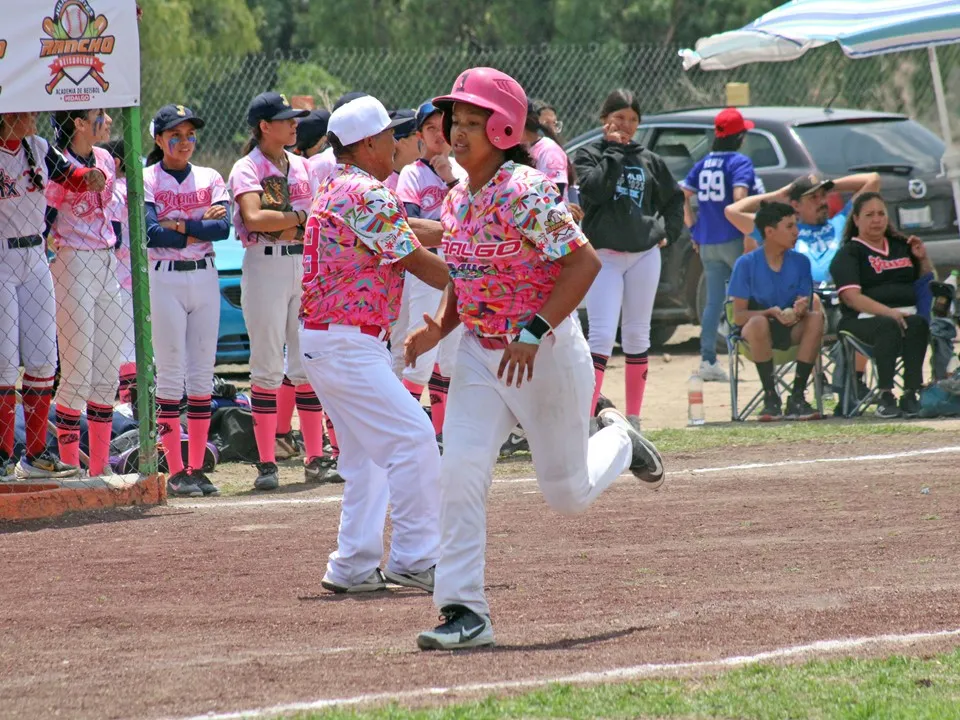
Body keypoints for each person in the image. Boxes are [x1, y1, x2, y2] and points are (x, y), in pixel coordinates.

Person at [404, 67, 664, 651]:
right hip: (479, 354)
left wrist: (535, 326)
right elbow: (467, 278)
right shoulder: (455, 198)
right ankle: (464, 611)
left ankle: (619, 438)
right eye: (456, 121)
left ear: (503, 128)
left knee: (566, 495)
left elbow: (584, 264)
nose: (459, 131)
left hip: (543, 355)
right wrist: (438, 329)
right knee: (460, 469)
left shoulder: (523, 190)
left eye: (473, 122)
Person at [299, 94, 451, 594]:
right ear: (366, 144)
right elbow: (416, 259)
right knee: (413, 440)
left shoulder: (340, 186)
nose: (397, 143)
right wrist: (485, 272)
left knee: (367, 458)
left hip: (333, 340)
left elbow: (408, 230)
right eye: (391, 135)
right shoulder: (368, 193)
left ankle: (353, 565)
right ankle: (414, 557)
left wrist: (457, 230)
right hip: (346, 343)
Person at [228, 92, 327, 491]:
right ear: (264, 126)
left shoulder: (303, 166)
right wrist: (298, 217)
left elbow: (319, 216)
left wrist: (291, 221)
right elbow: (254, 218)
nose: (294, 124)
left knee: (307, 363)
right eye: (285, 119)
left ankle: (316, 457)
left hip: (301, 262)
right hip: (266, 264)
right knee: (268, 365)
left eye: (295, 118)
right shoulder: (246, 166)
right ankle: (267, 462)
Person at [573, 89, 684, 428]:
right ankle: (588, 416)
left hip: (643, 255)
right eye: (619, 117)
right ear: (605, 118)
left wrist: (667, 231)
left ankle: (634, 417)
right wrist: (614, 153)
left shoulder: (649, 159)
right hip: (604, 255)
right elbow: (594, 191)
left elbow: (673, 199)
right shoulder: (589, 154)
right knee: (603, 335)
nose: (626, 124)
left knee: (638, 335)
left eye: (633, 119)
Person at [0, 112, 101, 479]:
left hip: (36, 256)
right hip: (1, 256)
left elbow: (70, 175)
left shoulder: (38, 147)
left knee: (44, 361)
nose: (31, 117)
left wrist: (88, 178)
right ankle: (3, 455)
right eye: (22, 112)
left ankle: (37, 454)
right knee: (5, 364)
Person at [144, 105, 231, 497]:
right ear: (159, 139)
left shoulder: (210, 176)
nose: (184, 141)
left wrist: (178, 224)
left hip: (204, 276)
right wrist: (197, 228)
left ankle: (196, 466)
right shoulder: (147, 178)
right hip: (164, 281)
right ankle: (176, 469)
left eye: (190, 134)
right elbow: (149, 232)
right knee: (170, 374)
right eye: (174, 135)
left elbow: (223, 228)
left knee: (200, 376)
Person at [46, 109, 123, 478]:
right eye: (97, 115)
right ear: (77, 123)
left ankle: (101, 467)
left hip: (107, 261)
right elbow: (46, 215)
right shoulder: (59, 162)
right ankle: (70, 467)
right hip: (72, 260)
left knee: (107, 373)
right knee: (77, 371)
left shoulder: (105, 158)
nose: (107, 119)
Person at [394, 100, 465, 440]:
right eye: (431, 129)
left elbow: (475, 218)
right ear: (419, 135)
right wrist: (450, 226)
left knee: (452, 359)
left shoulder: (462, 172)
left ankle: (443, 433)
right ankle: (406, 433)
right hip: (427, 269)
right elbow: (407, 222)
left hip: (460, 269)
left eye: (443, 128)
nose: (439, 135)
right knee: (420, 358)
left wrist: (451, 180)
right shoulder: (412, 172)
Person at [830, 192, 933, 418]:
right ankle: (886, 395)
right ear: (856, 220)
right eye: (869, 215)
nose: (877, 220)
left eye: (881, 214)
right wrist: (889, 313)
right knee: (888, 325)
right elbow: (851, 297)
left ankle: (910, 392)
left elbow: (925, 283)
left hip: (905, 318)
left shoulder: (902, 246)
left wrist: (922, 258)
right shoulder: (849, 253)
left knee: (918, 324)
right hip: (861, 321)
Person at [680, 108, 758, 383]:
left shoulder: (703, 163)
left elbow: (684, 194)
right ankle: (755, 353)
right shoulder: (739, 163)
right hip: (734, 238)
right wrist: (747, 228)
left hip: (707, 240)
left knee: (714, 302)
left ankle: (708, 359)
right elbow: (739, 198)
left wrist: (693, 228)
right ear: (738, 136)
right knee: (748, 295)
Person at [728, 202, 824, 421]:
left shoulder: (801, 262)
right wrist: (769, 313)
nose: (796, 232)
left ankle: (797, 397)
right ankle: (770, 396)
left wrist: (799, 308)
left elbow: (805, 300)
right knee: (759, 323)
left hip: (791, 327)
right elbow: (739, 316)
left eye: (796, 225)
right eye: (789, 226)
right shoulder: (746, 264)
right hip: (755, 334)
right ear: (769, 232)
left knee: (816, 319)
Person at [725, 171, 881, 283]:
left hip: (842, 294)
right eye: (813, 197)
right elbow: (732, 212)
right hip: (803, 299)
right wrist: (779, 195)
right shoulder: (781, 229)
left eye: (823, 196)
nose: (822, 202)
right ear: (796, 205)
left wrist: (829, 186)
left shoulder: (842, 221)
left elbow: (872, 180)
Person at [100, 139, 137, 407]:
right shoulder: (137, 189)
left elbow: (117, 240)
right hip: (142, 277)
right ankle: (140, 408)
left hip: (119, 279)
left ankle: (129, 408)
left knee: (125, 349)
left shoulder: (114, 191)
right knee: (138, 347)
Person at [385, 108, 419, 192]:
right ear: (402, 141)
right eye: (419, 132)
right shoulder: (387, 187)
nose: (425, 136)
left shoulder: (429, 173)